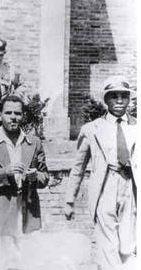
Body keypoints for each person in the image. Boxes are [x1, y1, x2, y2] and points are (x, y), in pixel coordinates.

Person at [64, 76, 137, 269]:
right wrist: (69, 201)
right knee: (107, 244)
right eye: (114, 96)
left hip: (131, 188)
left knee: (128, 245)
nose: (120, 101)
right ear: (106, 100)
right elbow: (78, 167)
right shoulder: (92, 129)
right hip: (106, 185)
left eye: (124, 96)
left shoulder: (137, 127)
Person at [0, 95, 49, 269]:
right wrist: (4, 172)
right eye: (8, 113)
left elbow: (45, 176)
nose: (13, 117)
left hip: (25, 208)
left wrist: (35, 177)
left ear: (23, 116)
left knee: (24, 260)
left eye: (17, 113)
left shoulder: (33, 143)